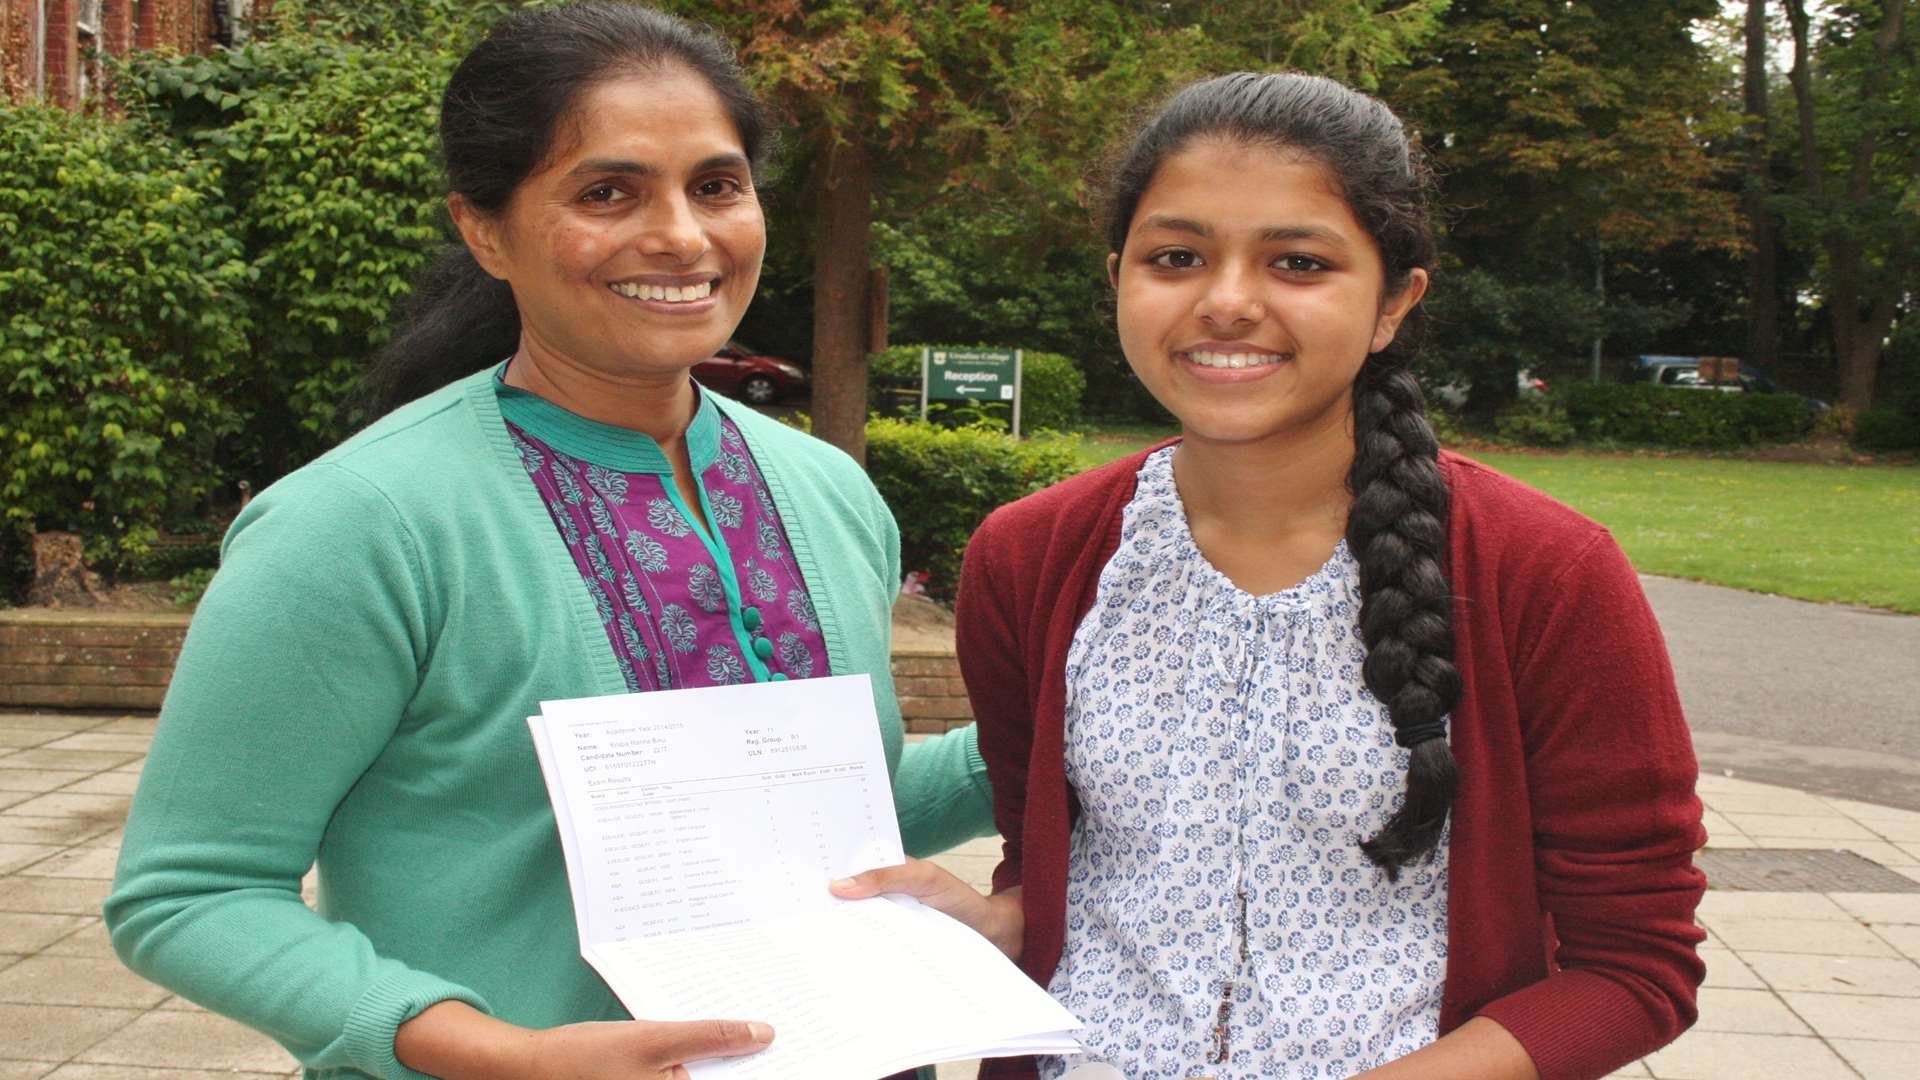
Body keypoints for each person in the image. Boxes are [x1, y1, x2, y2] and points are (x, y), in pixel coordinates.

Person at [103, 4, 994, 1078]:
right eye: (608, 192)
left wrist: (1073, 724)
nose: (682, 234)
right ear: (486, 230)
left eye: (716, 185)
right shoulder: (362, 524)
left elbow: (840, 817)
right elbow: (189, 892)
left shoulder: (828, 491)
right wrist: (495, 1050)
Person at [836, 72, 1706, 1079]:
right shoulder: (1031, 558)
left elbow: (1635, 965)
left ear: (1393, 303)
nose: (1227, 302)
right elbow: (1062, 878)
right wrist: (991, 925)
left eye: (1297, 261)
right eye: (1177, 257)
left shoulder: (1543, 573)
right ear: (1118, 275)